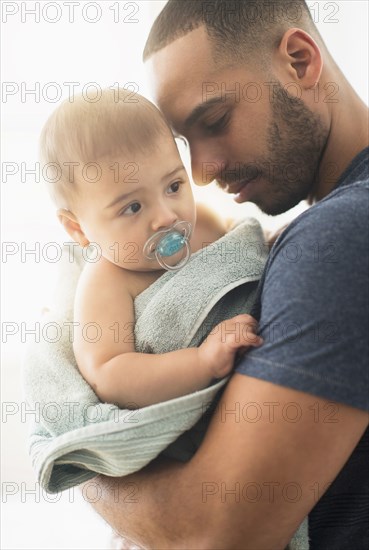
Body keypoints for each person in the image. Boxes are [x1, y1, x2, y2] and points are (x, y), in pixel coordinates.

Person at [85, 1, 369, 549]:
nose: (202, 173)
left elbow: (215, 534)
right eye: (185, 145)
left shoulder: (343, 235)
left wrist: (79, 452)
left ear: (300, 61)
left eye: (214, 121)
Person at [39, 88, 263, 410]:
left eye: (173, 186)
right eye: (132, 207)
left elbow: (247, 248)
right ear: (78, 229)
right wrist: (201, 362)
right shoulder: (106, 281)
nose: (167, 216)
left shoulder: (204, 224)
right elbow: (109, 373)